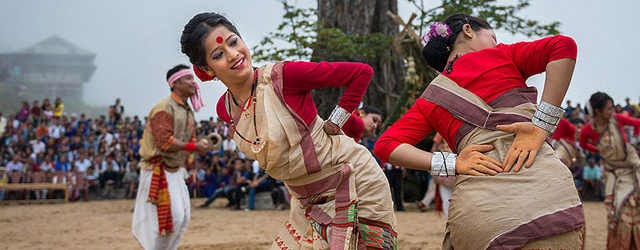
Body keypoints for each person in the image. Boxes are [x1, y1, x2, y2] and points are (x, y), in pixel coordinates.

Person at [181, 12, 397, 249]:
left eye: (233, 42)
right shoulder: (225, 109)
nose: (233, 55)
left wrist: (336, 121)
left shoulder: (282, 77)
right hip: (307, 201)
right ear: (206, 70)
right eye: (218, 54)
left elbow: (361, 73)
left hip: (354, 183)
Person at [374, 14, 583, 249]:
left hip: (478, 214)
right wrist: (540, 126)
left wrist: (454, 163)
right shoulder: (503, 55)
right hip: (545, 200)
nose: (495, 42)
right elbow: (564, 46)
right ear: (468, 30)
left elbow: (385, 145)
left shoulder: (430, 98)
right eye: (492, 36)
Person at [131, 64, 210, 250]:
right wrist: (194, 146)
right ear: (176, 83)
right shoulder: (164, 108)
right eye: (189, 78)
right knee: (170, 219)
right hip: (158, 169)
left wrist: (201, 145)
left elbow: (188, 139)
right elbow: (163, 142)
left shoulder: (186, 109)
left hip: (174, 170)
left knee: (182, 218)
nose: (194, 82)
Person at [579, 91, 640, 249]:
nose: (613, 112)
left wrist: (633, 143)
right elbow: (584, 145)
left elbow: (638, 124)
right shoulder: (587, 131)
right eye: (609, 109)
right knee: (616, 213)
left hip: (632, 169)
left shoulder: (618, 120)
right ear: (598, 111)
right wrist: (599, 151)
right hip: (613, 173)